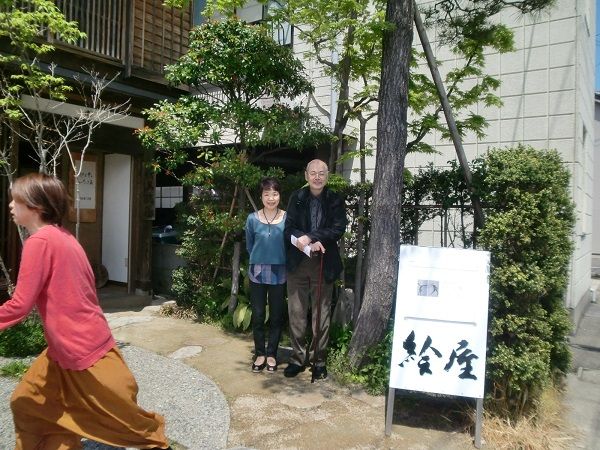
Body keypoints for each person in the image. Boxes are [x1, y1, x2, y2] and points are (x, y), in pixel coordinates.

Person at [1, 173, 171, 450]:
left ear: (36, 206)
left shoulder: (40, 242)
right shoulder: (64, 236)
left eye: (16, 200)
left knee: (125, 421)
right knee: (28, 403)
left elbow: (19, 305)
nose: (10, 205)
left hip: (79, 348)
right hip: (66, 348)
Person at [283, 159, 347, 380]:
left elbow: (338, 228)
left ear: (327, 176)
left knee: (321, 314)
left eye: (321, 173)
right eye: (313, 173)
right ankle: (297, 359)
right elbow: (288, 228)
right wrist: (303, 240)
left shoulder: (335, 199)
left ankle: (318, 360)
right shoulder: (297, 197)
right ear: (306, 175)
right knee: (297, 313)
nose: (317, 177)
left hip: (323, 263)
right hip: (297, 263)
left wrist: (312, 237)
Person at [245, 177, 286, 373]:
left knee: (277, 315)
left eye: (275, 194)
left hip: (280, 271)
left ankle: (272, 354)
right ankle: (260, 353)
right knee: (258, 314)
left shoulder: (287, 218)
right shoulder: (252, 219)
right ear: (261, 196)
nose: (271, 198)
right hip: (257, 271)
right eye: (267, 194)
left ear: (280, 196)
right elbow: (249, 245)